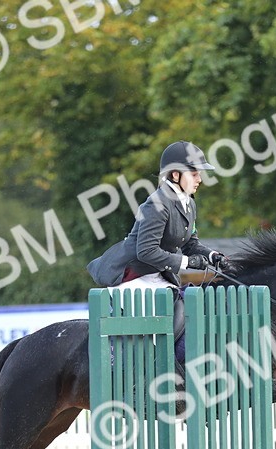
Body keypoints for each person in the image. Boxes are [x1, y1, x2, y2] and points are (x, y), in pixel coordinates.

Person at [86, 142, 228, 347]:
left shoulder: (188, 203)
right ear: (175, 175)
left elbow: (190, 244)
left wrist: (213, 256)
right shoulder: (157, 204)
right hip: (136, 275)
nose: (199, 179)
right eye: (194, 173)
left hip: (158, 275)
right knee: (156, 329)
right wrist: (188, 262)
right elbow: (146, 251)